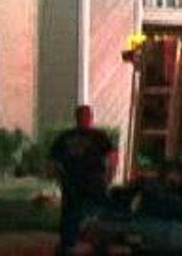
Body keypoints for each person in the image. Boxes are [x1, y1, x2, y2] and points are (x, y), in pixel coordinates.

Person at [49, 104, 116, 255]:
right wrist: (110, 176)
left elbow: (52, 164)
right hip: (83, 183)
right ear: (89, 118)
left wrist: (109, 176)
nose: (85, 119)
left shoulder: (67, 137)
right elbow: (52, 163)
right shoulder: (98, 136)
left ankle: (79, 244)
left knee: (85, 214)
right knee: (87, 214)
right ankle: (74, 244)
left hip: (85, 182)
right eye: (85, 116)